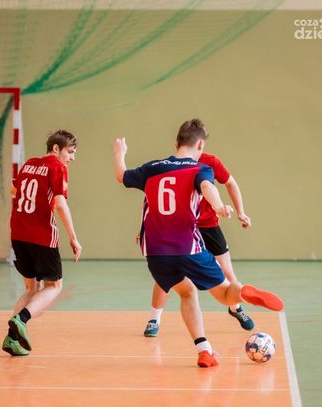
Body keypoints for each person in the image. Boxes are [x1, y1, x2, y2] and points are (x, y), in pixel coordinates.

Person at [113, 118, 283, 367]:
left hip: (155, 253)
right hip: (187, 248)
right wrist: (218, 206)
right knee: (225, 294)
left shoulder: (153, 167)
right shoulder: (200, 169)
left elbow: (121, 176)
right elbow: (206, 187)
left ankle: (204, 350)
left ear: (176, 143)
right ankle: (242, 293)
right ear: (200, 145)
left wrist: (120, 153)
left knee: (187, 292)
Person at [143, 152, 254, 337]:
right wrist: (146, 229)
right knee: (165, 275)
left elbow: (230, 183)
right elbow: (155, 201)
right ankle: (154, 319)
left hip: (208, 225)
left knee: (227, 271)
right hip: (181, 228)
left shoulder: (210, 162)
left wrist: (240, 212)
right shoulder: (169, 165)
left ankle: (235, 307)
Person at [3, 130, 82, 357]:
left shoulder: (29, 164)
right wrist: (73, 237)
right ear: (56, 148)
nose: (72, 158)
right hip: (41, 236)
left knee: (32, 289)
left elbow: (14, 191)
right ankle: (21, 319)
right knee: (54, 286)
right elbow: (60, 204)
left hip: (18, 234)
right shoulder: (57, 167)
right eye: (70, 152)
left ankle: (12, 339)